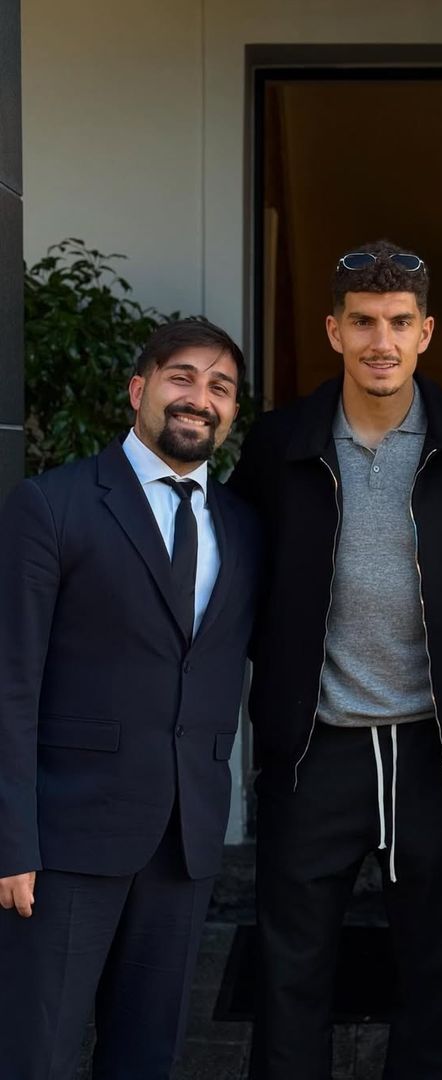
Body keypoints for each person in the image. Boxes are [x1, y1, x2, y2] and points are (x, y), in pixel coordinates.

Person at [228, 239, 442, 1079]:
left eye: (398, 322)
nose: (379, 341)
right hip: (317, 742)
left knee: (433, 968)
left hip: (437, 750)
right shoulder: (281, 442)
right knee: (291, 965)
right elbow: (242, 570)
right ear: (333, 330)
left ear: (425, 332)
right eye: (362, 323)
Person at [0, 318, 260, 1079]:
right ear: (139, 388)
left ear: (233, 412)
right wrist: (10, 840)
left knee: (148, 1056)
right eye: (182, 377)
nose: (199, 399)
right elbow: (10, 681)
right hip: (64, 838)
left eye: (220, 387)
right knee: (37, 1055)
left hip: (184, 839)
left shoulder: (243, 527)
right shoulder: (52, 505)